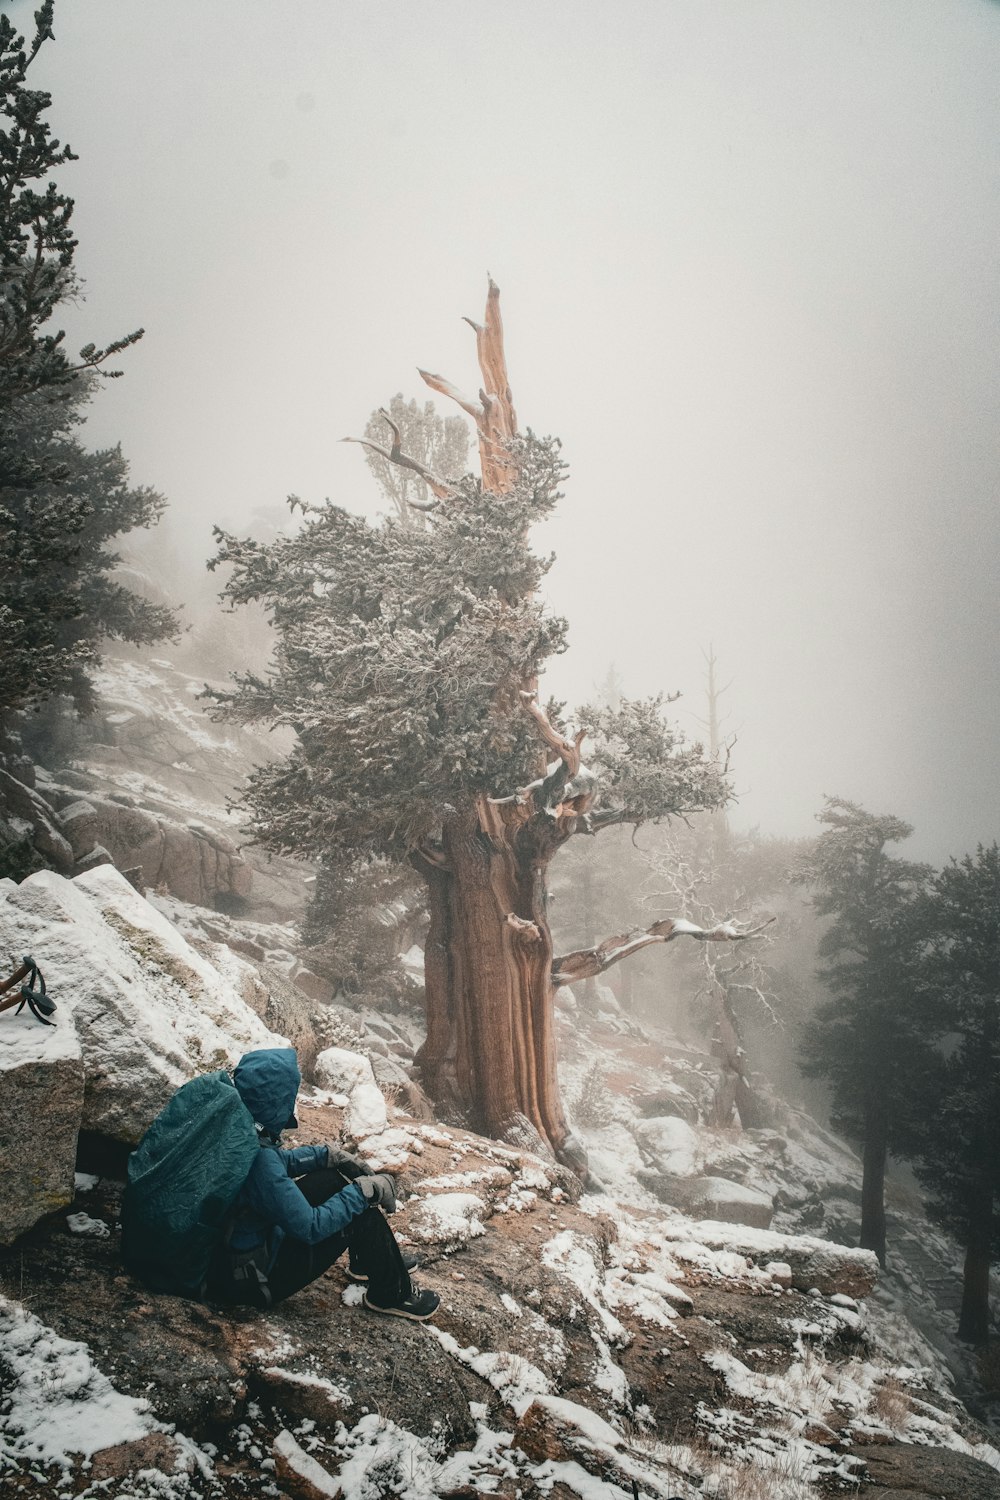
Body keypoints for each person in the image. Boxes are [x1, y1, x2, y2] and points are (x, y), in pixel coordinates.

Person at [208, 1047, 439, 1321]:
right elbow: (311, 1227)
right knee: (360, 1215)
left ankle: (368, 1260)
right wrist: (364, 1191)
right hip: (252, 1282)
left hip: (231, 1258)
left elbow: (276, 1163)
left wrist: (328, 1156)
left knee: (329, 1178)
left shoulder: (236, 1128)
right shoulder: (259, 1161)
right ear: (275, 1099)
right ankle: (392, 1293)